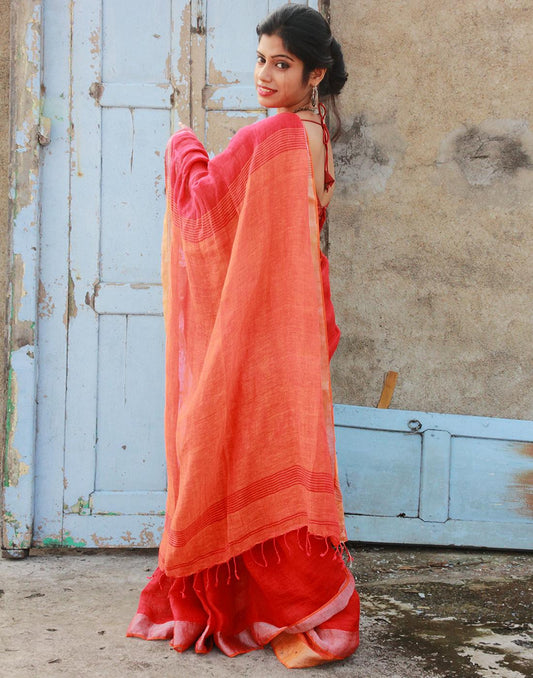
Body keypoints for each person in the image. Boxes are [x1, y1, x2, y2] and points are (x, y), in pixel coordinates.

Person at [127, 3, 360, 669]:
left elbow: (204, 206)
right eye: (260, 59)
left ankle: (259, 606)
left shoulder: (279, 136)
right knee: (274, 453)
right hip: (294, 330)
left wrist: (181, 146)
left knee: (228, 448)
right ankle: (298, 607)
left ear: (312, 73)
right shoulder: (315, 138)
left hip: (262, 333)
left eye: (280, 64)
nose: (263, 74)